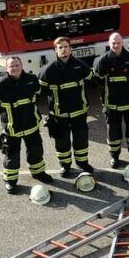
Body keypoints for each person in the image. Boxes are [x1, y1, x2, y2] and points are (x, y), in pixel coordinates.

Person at [0, 56, 52, 193]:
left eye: (17, 65)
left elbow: (38, 93)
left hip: (31, 125)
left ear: (22, 66)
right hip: (12, 128)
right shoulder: (0, 84)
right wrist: (5, 115)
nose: (15, 68)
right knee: (12, 156)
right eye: (11, 66)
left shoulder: (31, 79)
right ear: (7, 69)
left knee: (36, 151)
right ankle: (10, 181)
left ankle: (38, 173)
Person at [39, 36, 95, 178]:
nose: (63, 50)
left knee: (81, 139)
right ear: (55, 50)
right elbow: (42, 91)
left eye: (66, 47)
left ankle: (83, 163)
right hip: (60, 114)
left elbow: (91, 81)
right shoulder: (48, 70)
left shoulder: (81, 66)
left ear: (70, 49)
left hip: (79, 111)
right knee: (62, 142)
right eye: (60, 47)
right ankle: (65, 166)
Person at [92, 31, 129, 168]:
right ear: (109, 44)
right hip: (111, 105)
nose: (116, 45)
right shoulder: (102, 61)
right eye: (113, 43)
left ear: (122, 43)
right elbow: (97, 80)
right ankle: (115, 157)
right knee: (113, 134)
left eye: (118, 43)